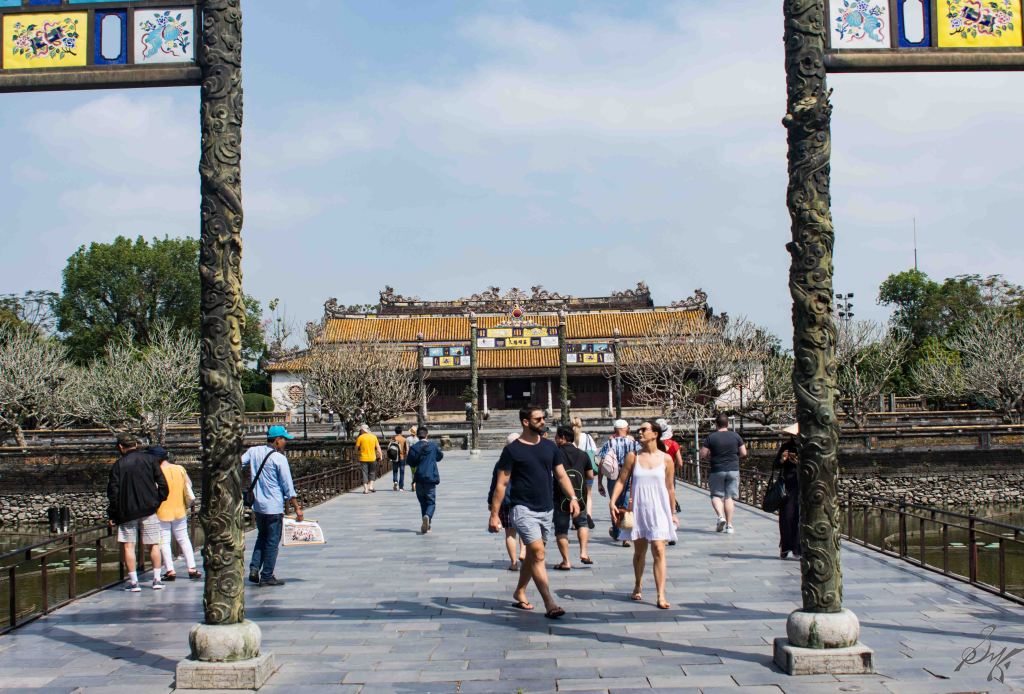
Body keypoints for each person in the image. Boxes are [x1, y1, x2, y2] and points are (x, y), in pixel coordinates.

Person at [488, 405, 580, 619]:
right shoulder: (512, 450)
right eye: (538, 419)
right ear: (525, 422)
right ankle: (549, 603)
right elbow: (501, 484)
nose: (543, 421)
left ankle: (519, 591)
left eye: (543, 418)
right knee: (538, 553)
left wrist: (573, 497)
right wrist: (494, 514)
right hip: (522, 508)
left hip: (546, 508)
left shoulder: (550, 447)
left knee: (532, 555)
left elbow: (561, 475)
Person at [609, 420, 678, 609]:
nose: (639, 432)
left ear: (655, 434)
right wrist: (612, 501)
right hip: (639, 509)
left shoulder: (666, 459)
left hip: (659, 510)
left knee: (659, 549)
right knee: (640, 552)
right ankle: (638, 583)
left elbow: (670, 488)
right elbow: (621, 480)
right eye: (638, 429)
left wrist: (672, 513)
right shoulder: (633, 456)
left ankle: (660, 594)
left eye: (644, 429)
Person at [242, 425, 303, 586]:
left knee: (261, 536)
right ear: (277, 440)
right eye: (284, 439)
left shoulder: (253, 451)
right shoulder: (279, 459)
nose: (285, 443)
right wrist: (297, 507)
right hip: (274, 506)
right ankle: (267, 575)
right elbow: (287, 485)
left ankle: (254, 568)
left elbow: (238, 464)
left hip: (258, 505)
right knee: (272, 541)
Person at [106, 433, 169, 592]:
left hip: (127, 511)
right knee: (153, 544)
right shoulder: (150, 460)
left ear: (121, 447)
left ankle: (134, 582)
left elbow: (113, 493)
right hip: (149, 509)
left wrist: (113, 514)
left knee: (129, 546)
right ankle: (157, 579)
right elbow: (162, 484)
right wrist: (157, 501)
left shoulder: (118, 465)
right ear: (136, 445)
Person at [151, 446, 201, 581]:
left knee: (164, 541)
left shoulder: (156, 471)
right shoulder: (180, 469)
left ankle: (170, 570)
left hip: (162, 510)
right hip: (179, 508)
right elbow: (189, 484)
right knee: (184, 539)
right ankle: (192, 568)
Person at [552, 426, 594, 570]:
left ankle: (566, 561)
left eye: (557, 436)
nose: (555, 439)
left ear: (563, 438)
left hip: (560, 496)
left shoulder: (555, 453)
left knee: (561, 529)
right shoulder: (583, 454)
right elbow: (590, 475)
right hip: (580, 496)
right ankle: (584, 552)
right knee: (582, 523)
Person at [700, 413, 747, 534]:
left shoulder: (711, 437)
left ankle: (721, 517)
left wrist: (710, 455)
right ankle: (729, 525)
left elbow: (703, 454)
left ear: (716, 424)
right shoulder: (736, 436)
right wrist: (734, 457)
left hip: (717, 469)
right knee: (729, 497)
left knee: (716, 495)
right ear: (728, 424)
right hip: (733, 469)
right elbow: (744, 453)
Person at [597, 419, 639, 546]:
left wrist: (599, 482)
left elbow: (602, 463)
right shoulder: (634, 443)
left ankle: (617, 532)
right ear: (627, 429)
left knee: (614, 503)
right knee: (626, 504)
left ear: (615, 430)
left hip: (613, 476)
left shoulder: (609, 443)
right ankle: (625, 536)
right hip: (629, 476)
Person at [407, 426, 443, 533]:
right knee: (431, 502)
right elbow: (439, 457)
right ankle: (427, 516)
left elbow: (410, 462)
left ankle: (427, 524)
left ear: (418, 436)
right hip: (430, 477)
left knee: (423, 502)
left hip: (419, 478)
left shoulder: (414, 447)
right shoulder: (432, 446)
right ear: (427, 435)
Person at [776, 423, 801, 559]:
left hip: (803, 486)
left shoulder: (808, 447)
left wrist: (799, 461)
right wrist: (782, 459)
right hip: (788, 486)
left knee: (800, 517)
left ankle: (798, 548)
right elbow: (776, 465)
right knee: (786, 516)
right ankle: (785, 546)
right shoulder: (786, 446)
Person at [656, 417, 684, 527]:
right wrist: (673, 467)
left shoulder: (654, 444)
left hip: (656, 473)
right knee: (670, 493)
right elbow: (680, 463)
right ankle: (670, 517)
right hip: (669, 473)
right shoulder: (673, 444)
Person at [571, 416, 598, 524]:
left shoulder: (569, 437)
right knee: (588, 494)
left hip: (574, 471)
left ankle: (575, 520)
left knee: (574, 495)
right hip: (587, 469)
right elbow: (594, 451)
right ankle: (588, 515)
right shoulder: (587, 437)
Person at [355, 424, 382, 494]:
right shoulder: (374, 437)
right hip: (373, 458)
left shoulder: (360, 437)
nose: (360, 431)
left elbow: (356, 448)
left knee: (364, 473)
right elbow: (378, 447)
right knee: (372, 472)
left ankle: (366, 489)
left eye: (361, 430)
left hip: (363, 458)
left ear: (363, 430)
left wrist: (356, 454)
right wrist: (380, 455)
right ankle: (371, 486)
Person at [388, 425, 408, 491]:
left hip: (394, 457)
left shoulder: (393, 438)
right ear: (401, 431)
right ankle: (401, 487)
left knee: (395, 470)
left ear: (395, 431)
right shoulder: (404, 439)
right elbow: (406, 449)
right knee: (402, 472)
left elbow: (389, 447)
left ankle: (395, 481)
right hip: (402, 457)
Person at [407, 425, 419, 492]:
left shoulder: (408, 439)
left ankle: (413, 483)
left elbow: (407, 449)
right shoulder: (418, 439)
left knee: (413, 472)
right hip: (417, 457)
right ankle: (416, 484)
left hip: (411, 457)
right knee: (417, 471)